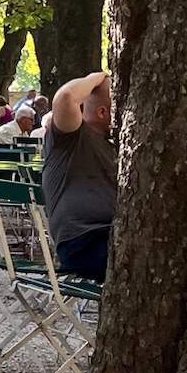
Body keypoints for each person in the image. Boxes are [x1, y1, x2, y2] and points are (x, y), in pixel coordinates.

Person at [44, 71, 117, 282]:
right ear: (103, 112)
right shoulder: (71, 137)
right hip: (83, 243)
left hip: (113, 235)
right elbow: (66, 96)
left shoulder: (117, 146)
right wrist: (96, 78)